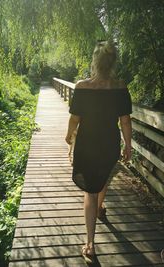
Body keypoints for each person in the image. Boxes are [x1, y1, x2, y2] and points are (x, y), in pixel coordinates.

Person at [65, 40, 132, 263]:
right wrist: (128, 145)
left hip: (87, 144)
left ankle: (90, 244)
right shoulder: (120, 87)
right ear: (113, 62)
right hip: (110, 144)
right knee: (101, 180)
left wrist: (68, 136)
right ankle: (101, 207)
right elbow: (125, 121)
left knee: (90, 193)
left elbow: (75, 118)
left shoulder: (82, 87)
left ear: (95, 61)